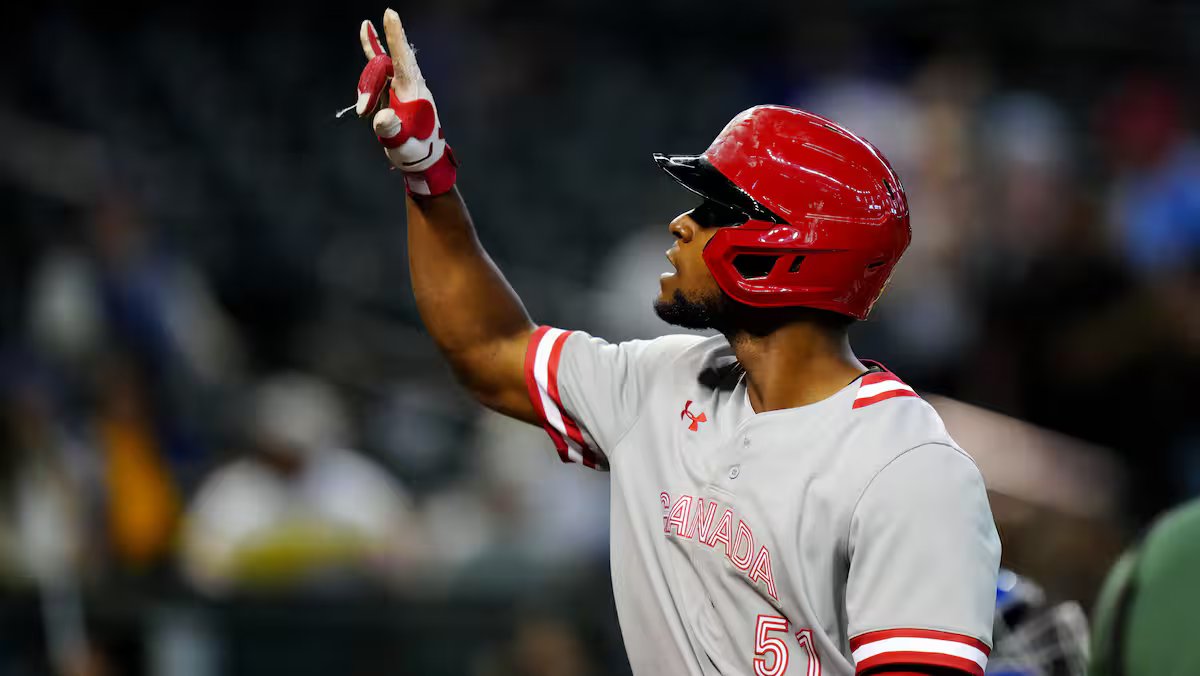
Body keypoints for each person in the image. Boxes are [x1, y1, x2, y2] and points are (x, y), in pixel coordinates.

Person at [347, 10, 1000, 675]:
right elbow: (487, 350)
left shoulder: (908, 467)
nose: (682, 224)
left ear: (793, 251)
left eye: (715, 208)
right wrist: (426, 169)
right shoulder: (657, 384)